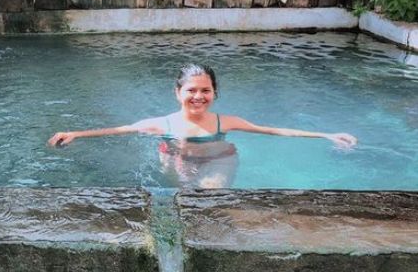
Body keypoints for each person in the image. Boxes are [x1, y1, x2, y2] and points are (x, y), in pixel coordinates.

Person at [48, 63, 357, 188]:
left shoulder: (226, 121)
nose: (198, 97)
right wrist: (77, 134)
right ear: (178, 93)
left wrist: (326, 134)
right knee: (182, 197)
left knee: (209, 197)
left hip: (219, 161)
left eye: (205, 90)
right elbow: (121, 129)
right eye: (191, 91)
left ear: (214, 93)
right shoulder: (162, 123)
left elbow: (273, 130)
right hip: (176, 158)